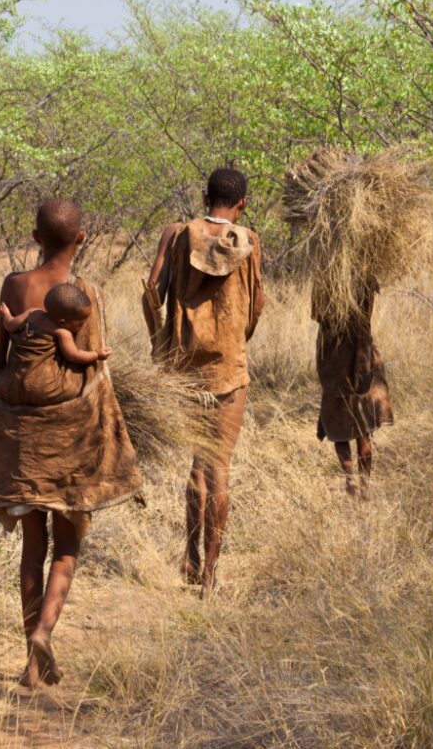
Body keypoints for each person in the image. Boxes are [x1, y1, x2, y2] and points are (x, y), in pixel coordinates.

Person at [0, 198, 141, 688]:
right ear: (82, 238)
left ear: (35, 237)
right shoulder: (85, 293)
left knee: (32, 543)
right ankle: (44, 635)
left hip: (18, 430)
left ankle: (31, 656)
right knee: (67, 545)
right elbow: (92, 366)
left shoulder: (14, 285)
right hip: (69, 431)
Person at [143, 167, 264, 593]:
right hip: (229, 370)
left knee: (197, 465)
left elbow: (151, 290)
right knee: (219, 470)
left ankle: (189, 558)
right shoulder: (248, 241)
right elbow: (256, 307)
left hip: (184, 371)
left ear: (204, 195)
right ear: (242, 203)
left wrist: (163, 342)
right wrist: (234, 339)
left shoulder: (176, 234)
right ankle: (211, 573)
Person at [314, 282, 393, 497]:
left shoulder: (327, 282)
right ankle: (364, 485)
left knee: (340, 432)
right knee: (363, 431)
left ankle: (351, 481)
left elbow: (317, 313)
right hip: (359, 367)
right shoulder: (361, 288)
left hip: (336, 366)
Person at [0, 282, 114, 370]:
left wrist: (6, 314)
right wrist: (96, 354)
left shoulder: (32, 313)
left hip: (13, 377)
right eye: (80, 323)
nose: (83, 326)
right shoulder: (62, 333)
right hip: (42, 384)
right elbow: (74, 356)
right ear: (62, 322)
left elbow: (9, 325)